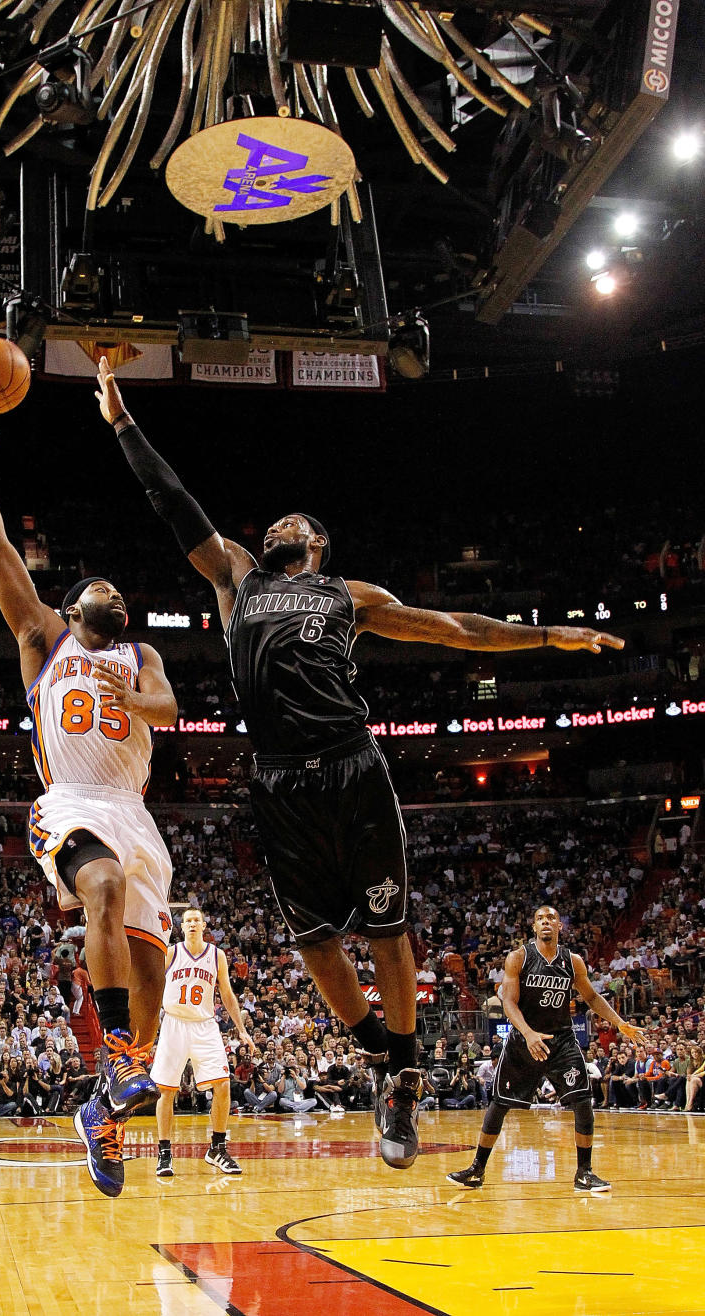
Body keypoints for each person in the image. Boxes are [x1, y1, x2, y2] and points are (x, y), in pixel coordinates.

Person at [96, 359, 625, 1171]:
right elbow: (175, 505)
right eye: (277, 521)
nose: (281, 524)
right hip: (277, 779)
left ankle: (403, 1085)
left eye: (295, 523)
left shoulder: (350, 595)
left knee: (388, 934)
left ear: (316, 546)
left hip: (352, 766)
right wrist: (125, 422)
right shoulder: (236, 575)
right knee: (314, 948)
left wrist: (548, 637)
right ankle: (391, 1061)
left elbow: (453, 628)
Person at [0, 398, 179, 1198]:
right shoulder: (43, 639)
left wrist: (142, 701)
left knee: (154, 984)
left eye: (122, 593)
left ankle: (105, 1113)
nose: (115, 595)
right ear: (74, 603)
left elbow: (168, 708)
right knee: (103, 887)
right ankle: (114, 1051)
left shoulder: (140, 653)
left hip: (137, 814)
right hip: (73, 801)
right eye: (102, 587)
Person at [447, 906, 646, 1194]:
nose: (546, 922)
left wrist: (620, 1023)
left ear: (560, 926)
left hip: (562, 1040)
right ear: (534, 926)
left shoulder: (572, 961)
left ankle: (584, 1173)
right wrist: (528, 1034)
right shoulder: (519, 958)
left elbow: (590, 996)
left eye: (551, 918)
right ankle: (477, 1169)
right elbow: (509, 1003)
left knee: (583, 1102)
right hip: (523, 1041)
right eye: (540, 918)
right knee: (499, 1104)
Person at [152, 908, 254, 1178]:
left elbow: (228, 994)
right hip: (174, 1022)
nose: (193, 924)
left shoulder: (216, 955)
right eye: (188, 921)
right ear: (181, 927)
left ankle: (217, 1149)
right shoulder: (171, 953)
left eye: (197, 920)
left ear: (204, 925)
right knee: (166, 1090)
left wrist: (241, 1029)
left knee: (222, 1084)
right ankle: (164, 1154)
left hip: (205, 1025)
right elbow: (151, 986)